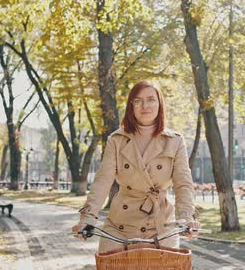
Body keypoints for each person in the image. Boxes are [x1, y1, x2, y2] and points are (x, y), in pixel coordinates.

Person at [72, 80, 200, 253]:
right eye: (138, 100)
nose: (145, 106)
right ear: (131, 105)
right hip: (120, 226)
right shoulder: (116, 140)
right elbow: (102, 181)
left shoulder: (175, 141)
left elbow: (183, 183)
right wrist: (87, 218)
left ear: (159, 104)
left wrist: (186, 218)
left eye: (151, 100)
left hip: (161, 226)